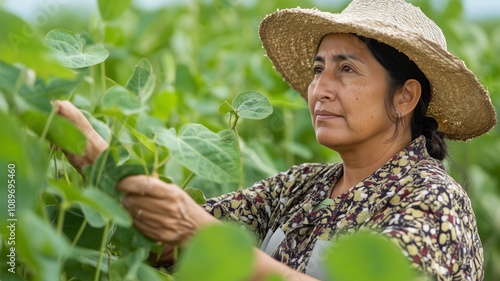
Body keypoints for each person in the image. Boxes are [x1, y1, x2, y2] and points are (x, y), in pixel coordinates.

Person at [54, 0, 497, 280]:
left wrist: (199, 231)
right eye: (318, 69)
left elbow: (197, 230)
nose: (321, 88)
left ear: (405, 96)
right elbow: (171, 238)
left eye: (346, 69)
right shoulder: (301, 187)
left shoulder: (433, 200)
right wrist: (99, 163)